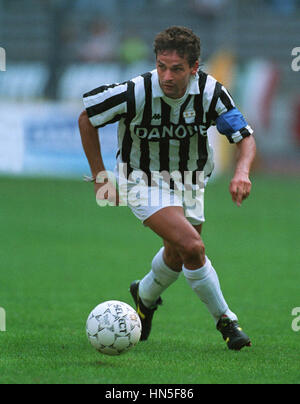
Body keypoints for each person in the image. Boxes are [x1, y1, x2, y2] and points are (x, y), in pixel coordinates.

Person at [78, 26, 256, 351]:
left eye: (176, 68)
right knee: (193, 247)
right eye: (161, 66)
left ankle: (143, 298)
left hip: (191, 180)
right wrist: (100, 175)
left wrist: (242, 172)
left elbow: (243, 137)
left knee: (177, 255)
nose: (167, 76)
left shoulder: (211, 93)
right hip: (141, 177)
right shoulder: (136, 91)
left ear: (194, 67)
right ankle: (226, 320)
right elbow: (87, 118)